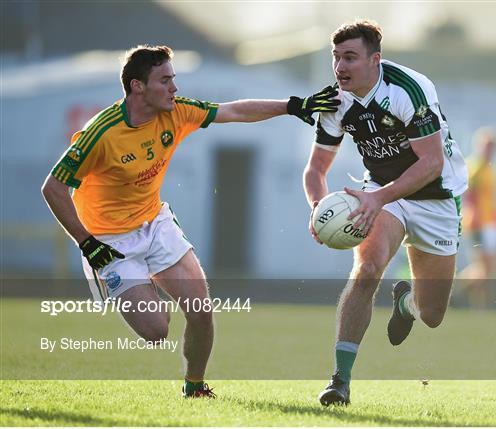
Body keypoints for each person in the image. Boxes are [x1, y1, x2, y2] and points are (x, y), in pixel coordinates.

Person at [41, 45, 339, 398]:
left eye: (173, 80)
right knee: (157, 331)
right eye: (165, 81)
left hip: (155, 225)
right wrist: (87, 243)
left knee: (201, 312)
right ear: (138, 87)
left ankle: (194, 387)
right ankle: (139, 286)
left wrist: (292, 106)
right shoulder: (101, 132)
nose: (174, 89)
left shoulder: (177, 112)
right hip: (108, 242)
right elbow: (53, 188)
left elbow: (234, 111)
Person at [303, 21, 468, 406]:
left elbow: (431, 163)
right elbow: (316, 170)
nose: (340, 67)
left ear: (375, 60)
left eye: (350, 58)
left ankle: (406, 303)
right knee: (367, 267)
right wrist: (319, 209)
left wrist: (377, 199)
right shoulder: (335, 101)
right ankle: (340, 381)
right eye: (336, 57)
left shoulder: (409, 89)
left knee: (432, 314)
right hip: (381, 192)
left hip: (437, 197)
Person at [458, 127, 496, 308]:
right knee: (483, 267)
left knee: (491, 268)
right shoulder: (474, 166)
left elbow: (490, 198)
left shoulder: (490, 169)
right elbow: (469, 195)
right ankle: (478, 304)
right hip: (477, 223)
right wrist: (475, 215)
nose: (489, 150)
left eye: (492, 146)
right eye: (486, 146)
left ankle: (476, 302)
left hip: (490, 223)